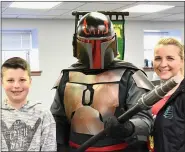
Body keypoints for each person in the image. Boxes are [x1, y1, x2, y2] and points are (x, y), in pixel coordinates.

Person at [50, 12, 154, 152]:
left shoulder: (129, 75)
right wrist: (60, 145)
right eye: (89, 43)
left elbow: (145, 120)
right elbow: (58, 118)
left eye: (100, 43)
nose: (95, 51)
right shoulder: (67, 76)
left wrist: (127, 128)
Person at [1, 57, 57, 152]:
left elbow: (49, 148)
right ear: (2, 82)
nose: (16, 86)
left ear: (30, 82)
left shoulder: (43, 114)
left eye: (22, 80)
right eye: (10, 80)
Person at [148, 38, 184, 152]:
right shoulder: (151, 94)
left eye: (170, 58)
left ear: (182, 61)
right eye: (158, 58)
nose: (163, 64)